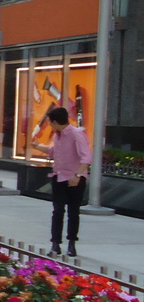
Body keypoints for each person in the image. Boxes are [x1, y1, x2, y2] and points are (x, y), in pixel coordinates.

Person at [31, 107, 91, 257]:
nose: (50, 125)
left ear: (55, 122)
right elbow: (54, 151)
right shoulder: (57, 136)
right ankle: (55, 244)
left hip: (75, 179)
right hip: (58, 177)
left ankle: (72, 243)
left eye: (50, 122)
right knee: (57, 211)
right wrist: (37, 146)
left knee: (73, 211)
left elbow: (86, 158)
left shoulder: (76, 134)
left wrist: (77, 175)